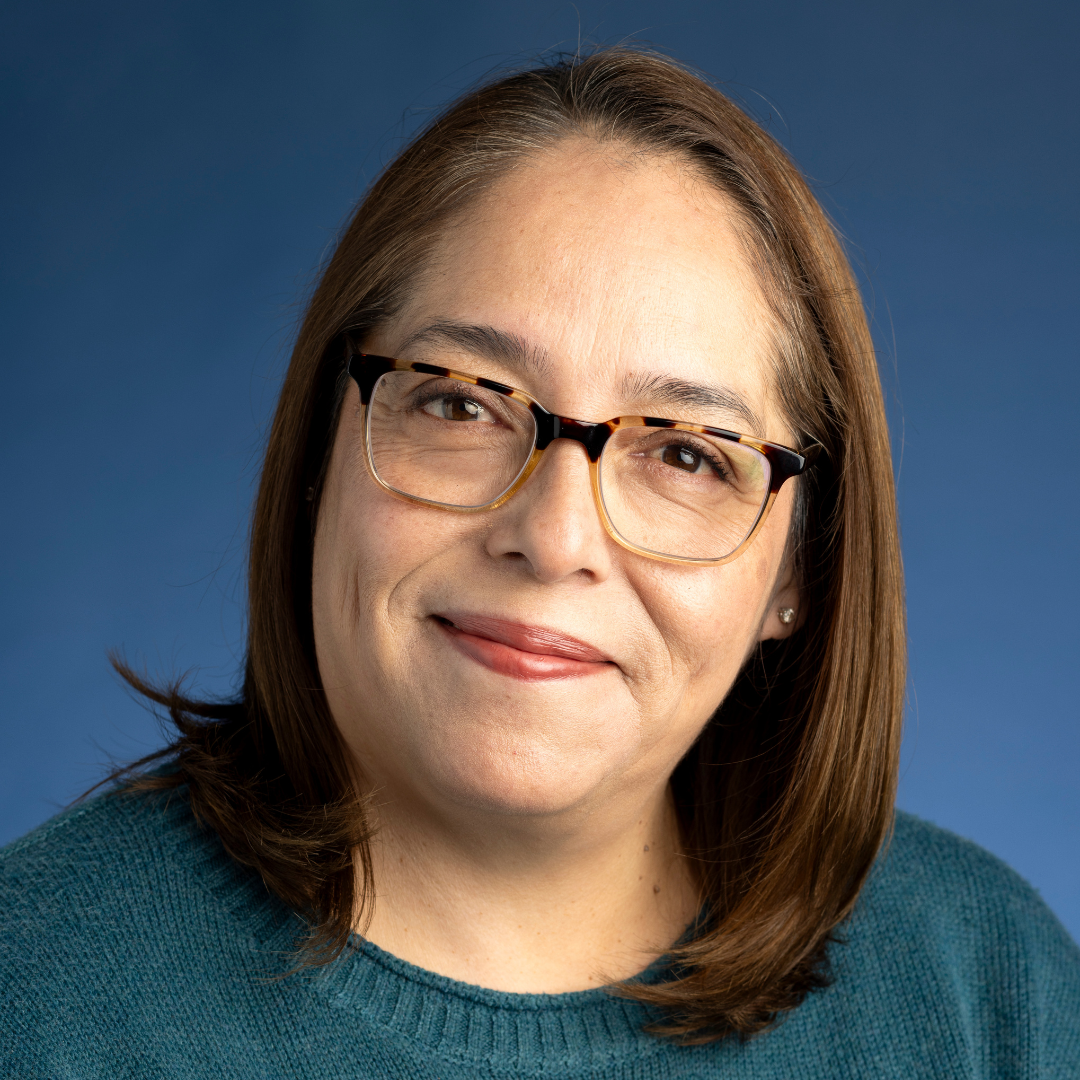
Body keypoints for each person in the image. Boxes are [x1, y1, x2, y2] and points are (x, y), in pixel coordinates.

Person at [2, 47, 1077, 1078]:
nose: (555, 538)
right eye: (463, 403)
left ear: (798, 571)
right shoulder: (38, 997)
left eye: (689, 457)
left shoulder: (987, 994)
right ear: (324, 441)